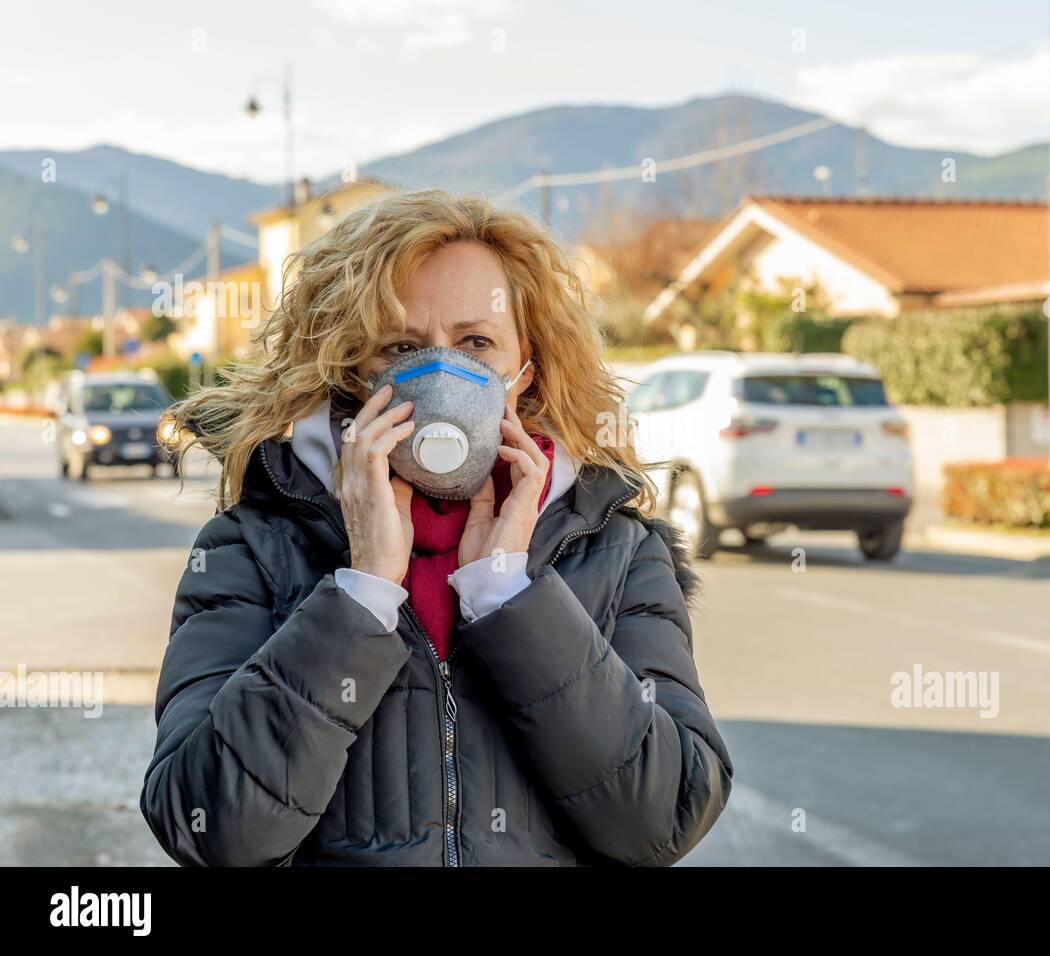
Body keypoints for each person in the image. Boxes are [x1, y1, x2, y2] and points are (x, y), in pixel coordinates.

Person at [140, 190, 732, 866]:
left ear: (526, 371)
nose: (444, 372)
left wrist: (510, 595)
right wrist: (360, 594)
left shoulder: (618, 550)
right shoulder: (249, 549)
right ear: (350, 377)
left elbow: (662, 820)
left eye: (476, 342)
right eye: (400, 347)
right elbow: (212, 828)